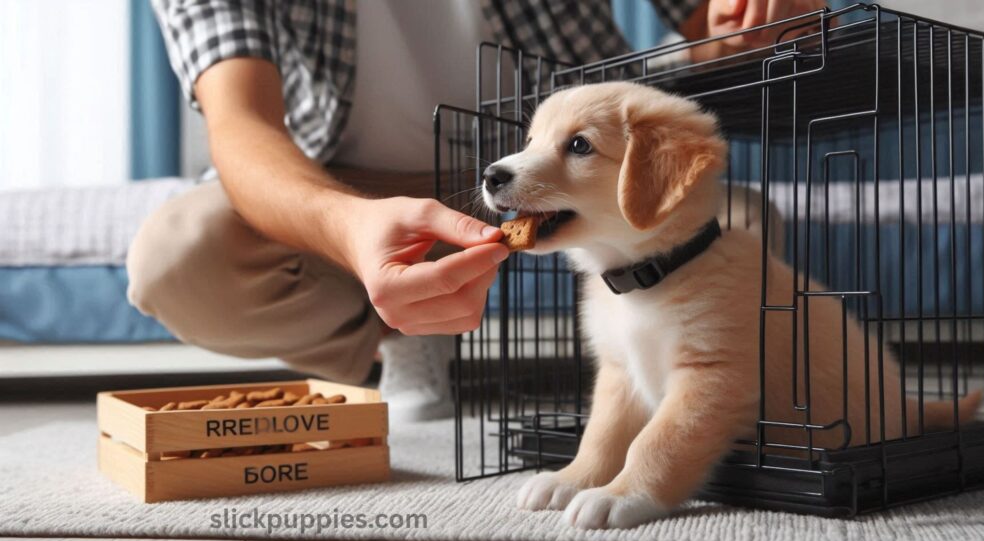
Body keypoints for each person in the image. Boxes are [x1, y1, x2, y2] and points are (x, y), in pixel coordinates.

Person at [128, 0, 826, 422]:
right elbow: (242, 127)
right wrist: (351, 229)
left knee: (737, 226)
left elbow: (718, 21)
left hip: (556, 169)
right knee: (178, 255)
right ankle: (395, 338)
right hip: (339, 177)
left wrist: (760, 20)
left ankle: (694, 388)